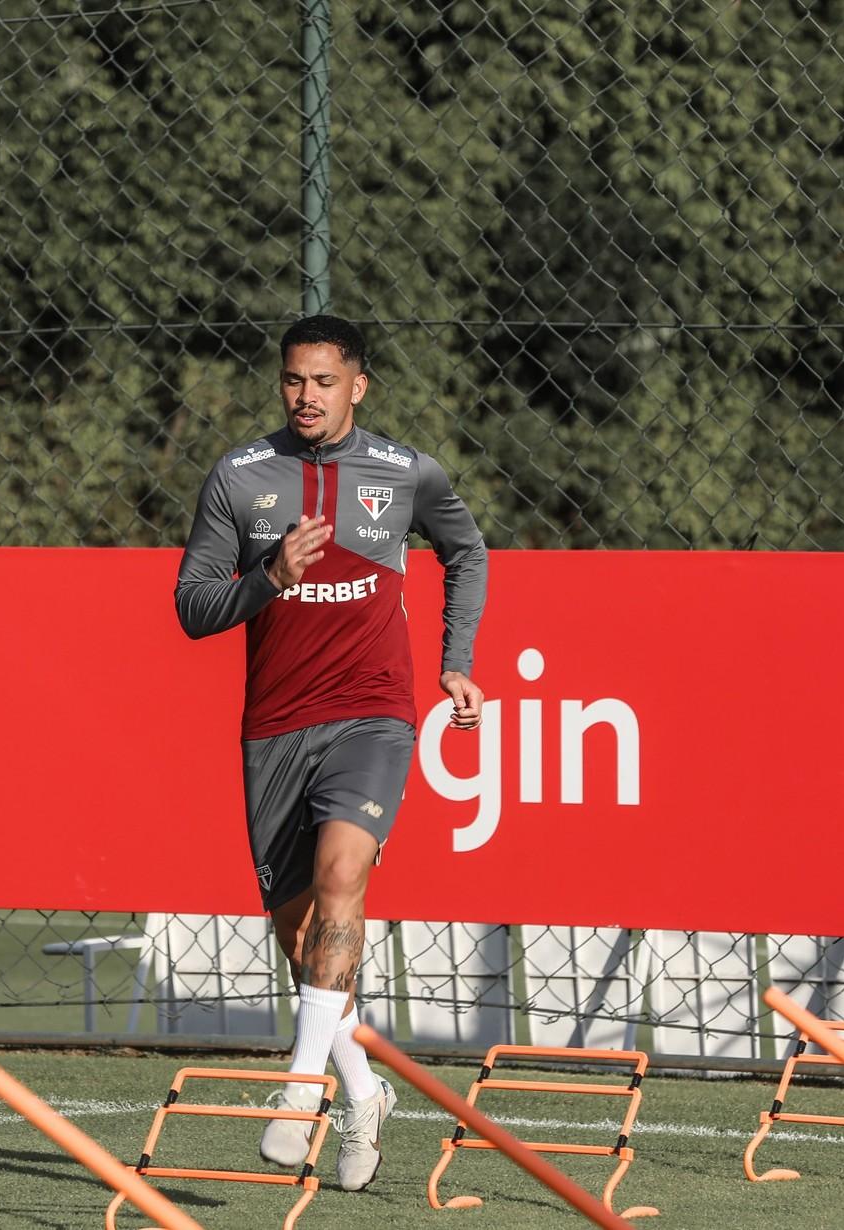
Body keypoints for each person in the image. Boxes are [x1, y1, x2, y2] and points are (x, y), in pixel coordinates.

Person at [174, 315, 487, 1191]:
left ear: (359, 386)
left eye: (323, 381)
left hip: (373, 715)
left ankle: (300, 1092)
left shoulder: (404, 472)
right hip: (275, 728)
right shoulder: (240, 478)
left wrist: (456, 661)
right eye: (292, 381)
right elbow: (193, 608)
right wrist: (269, 576)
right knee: (302, 933)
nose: (305, 397)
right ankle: (361, 1088)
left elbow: (465, 552)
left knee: (346, 874)